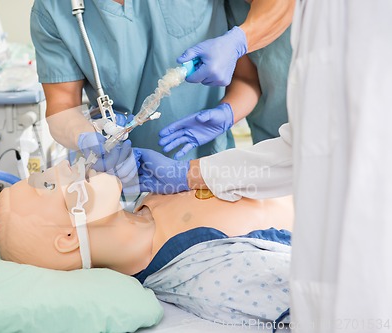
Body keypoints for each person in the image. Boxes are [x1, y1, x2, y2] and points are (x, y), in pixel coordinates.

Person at [136, 1, 392, 332]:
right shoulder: (319, 20)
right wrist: (185, 174)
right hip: (324, 262)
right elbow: (304, 146)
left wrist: (239, 40)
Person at [0, 161, 294, 325]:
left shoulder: (151, 197)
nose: (63, 165)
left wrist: (191, 170)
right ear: (68, 239)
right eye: (47, 185)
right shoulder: (198, 270)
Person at [31, 0, 294, 166]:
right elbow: (62, 105)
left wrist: (227, 114)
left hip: (209, 168)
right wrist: (86, 137)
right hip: (126, 176)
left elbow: (248, 79)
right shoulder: (54, 9)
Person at [160, 0, 294, 158]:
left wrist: (238, 41)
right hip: (271, 144)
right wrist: (228, 112)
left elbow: (284, 6)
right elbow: (248, 79)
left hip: (320, 134)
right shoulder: (231, 9)